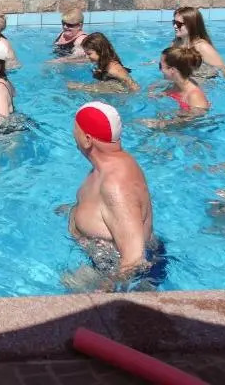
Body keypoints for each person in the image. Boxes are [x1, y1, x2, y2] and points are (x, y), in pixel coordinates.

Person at [62, 102, 159, 289]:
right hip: (102, 257)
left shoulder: (115, 185)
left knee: (68, 285)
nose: (73, 136)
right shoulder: (108, 165)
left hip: (117, 272)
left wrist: (105, 288)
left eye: (75, 131)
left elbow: (134, 259)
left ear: (87, 140)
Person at [141, 45, 209, 127]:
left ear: (172, 70)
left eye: (160, 66)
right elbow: (155, 87)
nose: (160, 70)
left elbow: (197, 119)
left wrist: (163, 123)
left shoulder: (194, 96)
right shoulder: (175, 84)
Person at [171, 6, 225, 81]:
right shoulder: (176, 42)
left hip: (204, 81)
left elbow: (224, 71)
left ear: (191, 25)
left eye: (179, 24)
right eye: (174, 22)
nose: (175, 26)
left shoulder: (202, 47)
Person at [67, 32, 139, 93]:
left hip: (118, 92)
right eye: (85, 53)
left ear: (100, 51)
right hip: (108, 84)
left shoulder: (114, 69)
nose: (86, 56)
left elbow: (134, 87)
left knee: (78, 87)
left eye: (89, 54)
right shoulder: (101, 62)